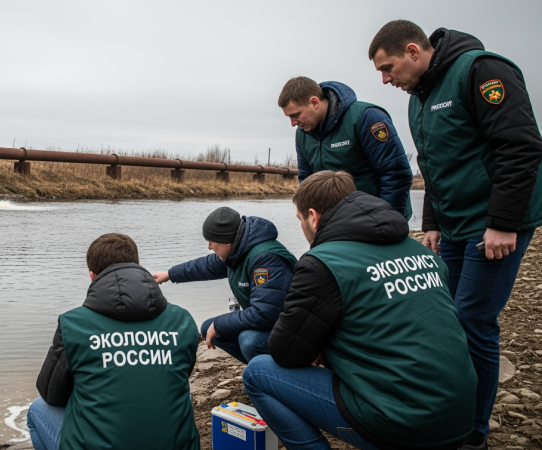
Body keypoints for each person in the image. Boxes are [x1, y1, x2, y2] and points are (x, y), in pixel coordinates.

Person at [368, 20, 542, 449]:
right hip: (456, 226)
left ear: (413, 51)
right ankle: (450, 410)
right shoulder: (418, 99)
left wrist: (502, 223)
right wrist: (431, 224)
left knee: (473, 321)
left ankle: (473, 435)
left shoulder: (481, 70)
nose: (386, 80)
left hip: (496, 225)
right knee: (447, 320)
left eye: (388, 68)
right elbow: (436, 169)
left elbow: (520, 147)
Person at [243, 170, 477, 450]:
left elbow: (285, 352)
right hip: (461, 417)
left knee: (257, 373)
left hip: (404, 426)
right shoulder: (422, 253)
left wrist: (321, 344)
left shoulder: (322, 262)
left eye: (300, 219)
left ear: (314, 218)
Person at [28, 233, 200, 450]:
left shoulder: (75, 324)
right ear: (139, 266)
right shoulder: (181, 320)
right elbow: (179, 373)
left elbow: (50, 395)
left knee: (38, 409)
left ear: (92, 276)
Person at [152, 207, 296, 364]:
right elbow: (204, 267)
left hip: (294, 330)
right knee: (209, 328)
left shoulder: (266, 260)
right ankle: (259, 369)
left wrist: (220, 324)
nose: (209, 247)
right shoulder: (238, 251)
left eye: (211, 242)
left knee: (249, 341)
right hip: (272, 322)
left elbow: (263, 314)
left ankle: (269, 376)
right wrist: (169, 274)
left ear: (227, 242)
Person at [278, 76, 413, 218]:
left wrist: (387, 220)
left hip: (374, 217)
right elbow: (306, 180)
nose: (293, 123)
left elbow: (395, 173)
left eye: (296, 115)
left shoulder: (367, 118)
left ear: (314, 102)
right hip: (334, 222)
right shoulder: (302, 134)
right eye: (289, 117)